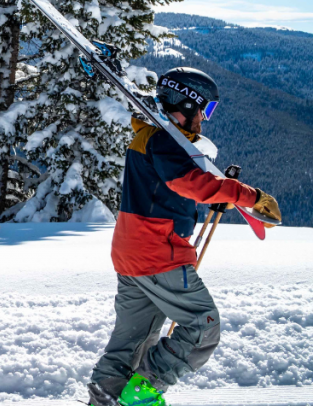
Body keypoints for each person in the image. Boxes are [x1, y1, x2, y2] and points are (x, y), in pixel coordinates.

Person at [88, 67, 281, 406]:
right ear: (187, 103)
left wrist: (218, 195)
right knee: (203, 326)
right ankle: (145, 389)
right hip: (157, 252)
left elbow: (172, 185)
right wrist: (247, 195)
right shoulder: (163, 140)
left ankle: (106, 397)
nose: (204, 120)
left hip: (131, 252)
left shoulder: (151, 135)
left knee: (132, 337)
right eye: (205, 110)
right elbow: (189, 183)